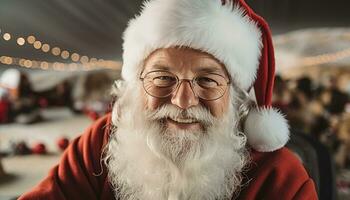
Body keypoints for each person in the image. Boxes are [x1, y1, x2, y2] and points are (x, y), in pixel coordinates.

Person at [19, 0, 317, 199]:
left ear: (236, 95)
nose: (183, 100)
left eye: (207, 80)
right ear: (136, 85)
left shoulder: (282, 178)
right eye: (163, 78)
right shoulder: (99, 142)